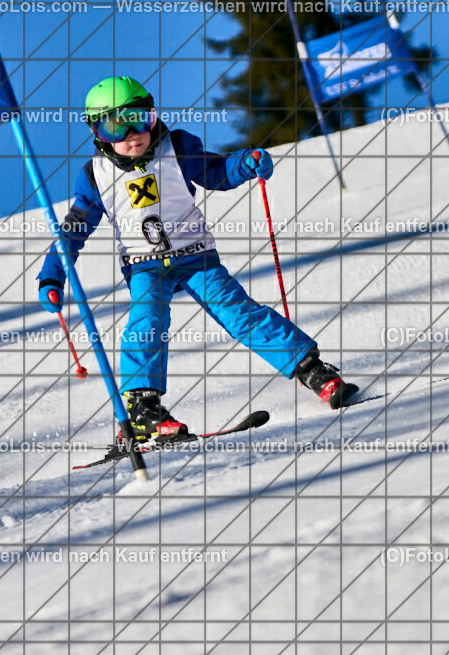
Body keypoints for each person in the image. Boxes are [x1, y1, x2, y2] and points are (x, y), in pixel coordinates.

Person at [37, 76, 357, 448]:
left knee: (240, 313)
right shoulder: (96, 175)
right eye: (115, 127)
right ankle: (142, 410)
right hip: (144, 265)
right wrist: (52, 276)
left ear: (153, 115)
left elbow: (217, 172)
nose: (132, 134)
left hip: (195, 256)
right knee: (147, 322)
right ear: (97, 133)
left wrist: (245, 163)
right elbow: (73, 230)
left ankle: (312, 370)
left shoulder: (177, 147)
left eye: (139, 118)